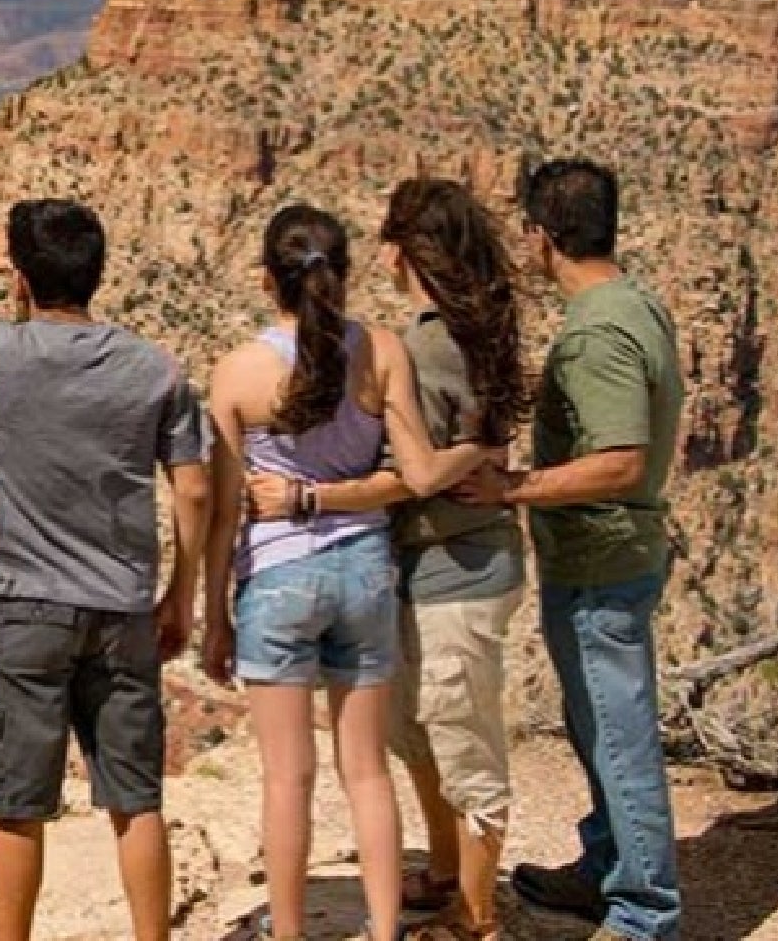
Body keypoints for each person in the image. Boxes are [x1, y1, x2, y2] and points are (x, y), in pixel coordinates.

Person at [0, 198, 212, 941]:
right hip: (122, 609)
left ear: (18, 277)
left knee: (20, 807)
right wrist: (182, 594)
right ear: (98, 272)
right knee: (136, 799)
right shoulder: (155, 369)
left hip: (21, 609)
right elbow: (194, 487)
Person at [243, 180, 533, 940]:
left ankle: (476, 918)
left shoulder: (424, 345)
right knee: (415, 731)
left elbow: (420, 471)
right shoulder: (454, 332)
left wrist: (309, 499)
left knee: (460, 739)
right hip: (419, 566)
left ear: (406, 250)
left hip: (456, 567)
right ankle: (445, 875)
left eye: (388, 241)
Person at [455, 159, 686, 941]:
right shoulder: (636, 301)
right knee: (598, 725)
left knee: (618, 733)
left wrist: (512, 487)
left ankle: (644, 911)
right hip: (613, 555)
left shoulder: (596, 334)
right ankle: (607, 864)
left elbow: (619, 459)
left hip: (601, 560)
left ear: (540, 235)